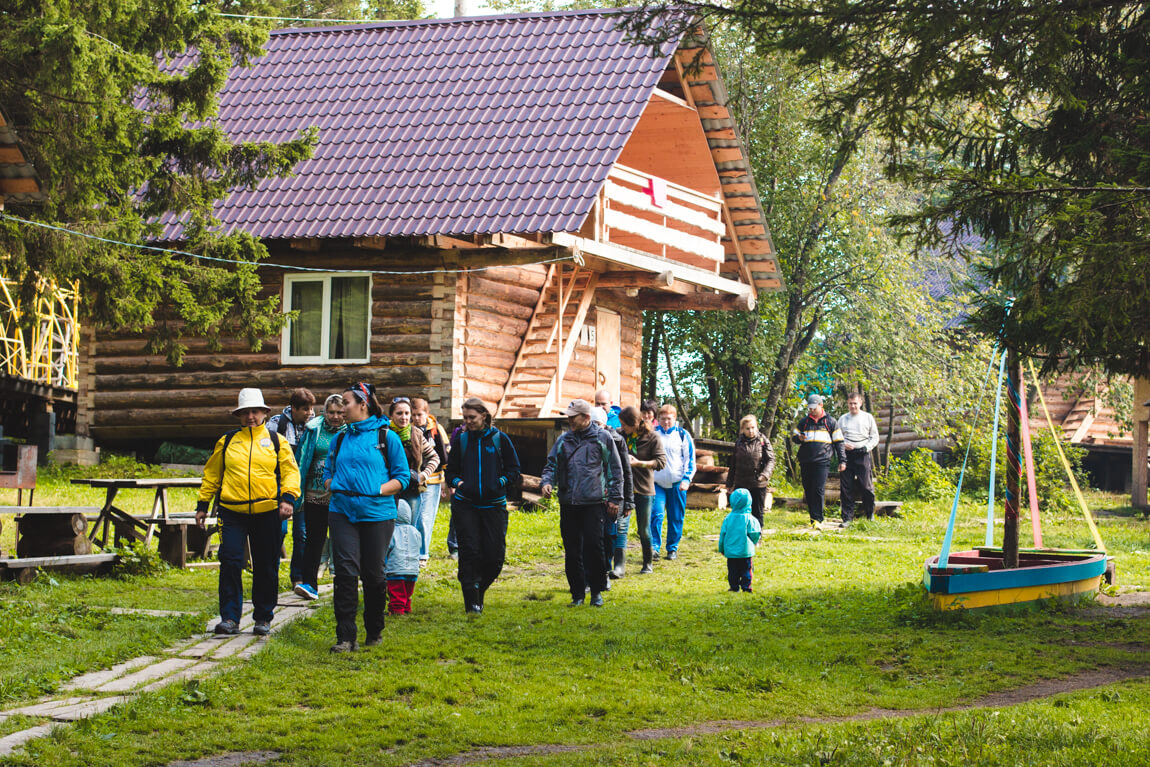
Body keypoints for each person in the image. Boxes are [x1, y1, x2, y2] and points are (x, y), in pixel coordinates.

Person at [196, 388, 301, 637]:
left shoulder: (277, 441)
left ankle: (263, 617)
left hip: (267, 511)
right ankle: (230, 618)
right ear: (239, 415)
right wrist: (202, 505)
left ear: (264, 413)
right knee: (231, 561)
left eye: (255, 411)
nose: (250, 416)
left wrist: (288, 499)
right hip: (232, 512)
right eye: (245, 413)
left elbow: (290, 472)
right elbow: (212, 474)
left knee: (266, 565)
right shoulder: (228, 440)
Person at [323, 382, 410, 652]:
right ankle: (346, 637)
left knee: (373, 575)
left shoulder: (387, 437)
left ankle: (374, 630)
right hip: (342, 511)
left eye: (346, 403)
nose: (341, 408)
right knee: (345, 573)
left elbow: (403, 478)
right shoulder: (339, 438)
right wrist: (331, 484)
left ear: (363, 404)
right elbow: (328, 471)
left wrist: (376, 490)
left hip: (377, 514)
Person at [541, 399, 623, 607]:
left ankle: (596, 592)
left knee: (594, 548)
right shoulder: (563, 441)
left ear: (586, 418)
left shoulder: (603, 438)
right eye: (568, 416)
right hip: (569, 502)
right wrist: (547, 482)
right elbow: (551, 465)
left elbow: (615, 470)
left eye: (573, 417)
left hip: (594, 503)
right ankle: (577, 594)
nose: (569, 420)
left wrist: (615, 498)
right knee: (572, 550)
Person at [446, 397, 521, 614]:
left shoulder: (500, 439)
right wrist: (460, 484)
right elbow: (451, 472)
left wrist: (499, 483)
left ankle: (479, 589)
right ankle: (471, 602)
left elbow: (514, 469)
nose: (468, 422)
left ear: (484, 416)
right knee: (469, 553)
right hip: (466, 505)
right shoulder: (462, 440)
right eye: (465, 418)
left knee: (494, 557)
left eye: (472, 417)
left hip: (494, 506)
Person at [292, 393, 346, 600]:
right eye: (331, 412)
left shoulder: (349, 432)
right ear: (324, 412)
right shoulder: (314, 429)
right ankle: (309, 583)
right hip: (315, 494)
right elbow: (302, 458)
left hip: (340, 495)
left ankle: (342, 582)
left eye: (340, 413)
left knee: (341, 540)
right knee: (314, 538)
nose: (335, 417)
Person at [267, 387, 316, 587]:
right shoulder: (277, 424)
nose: (309, 413)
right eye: (305, 409)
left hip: (303, 485)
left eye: (311, 408)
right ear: (293, 408)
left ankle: (298, 577)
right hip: (279, 483)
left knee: (302, 533)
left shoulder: (313, 425)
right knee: (279, 531)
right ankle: (270, 575)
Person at [389, 396, 439, 564]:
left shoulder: (416, 434)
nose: (404, 417)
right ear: (392, 415)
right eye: (399, 413)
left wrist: (423, 475)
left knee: (410, 527)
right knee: (388, 525)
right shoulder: (384, 434)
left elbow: (434, 457)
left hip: (411, 490)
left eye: (407, 413)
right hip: (389, 489)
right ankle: (389, 560)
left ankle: (408, 561)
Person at [618, 405, 666, 574]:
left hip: (644, 489)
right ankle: (619, 566)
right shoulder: (620, 435)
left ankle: (647, 563)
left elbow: (661, 462)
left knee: (643, 530)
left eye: (625, 424)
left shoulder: (652, 437)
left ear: (635, 423)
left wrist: (638, 463)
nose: (622, 427)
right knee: (621, 527)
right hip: (624, 489)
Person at [591, 406, 634, 581]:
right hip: (593, 497)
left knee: (610, 534)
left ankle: (609, 568)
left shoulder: (616, 440)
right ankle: (599, 573)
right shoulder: (585, 440)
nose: (595, 427)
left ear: (604, 423)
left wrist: (629, 501)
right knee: (596, 536)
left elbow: (625, 471)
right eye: (592, 423)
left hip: (613, 496)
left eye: (597, 423)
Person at [791, 394, 846, 525]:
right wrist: (798, 438)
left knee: (818, 489)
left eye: (813, 408)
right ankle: (813, 517)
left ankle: (818, 519)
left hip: (822, 461)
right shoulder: (804, 422)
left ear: (821, 405)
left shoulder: (831, 422)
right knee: (808, 488)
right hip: (805, 460)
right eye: (809, 408)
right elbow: (794, 437)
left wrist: (842, 461)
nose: (811, 411)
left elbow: (839, 442)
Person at [651, 404, 695, 561]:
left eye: (669, 419)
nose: (666, 422)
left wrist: (686, 479)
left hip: (677, 483)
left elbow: (690, 460)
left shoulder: (683, 435)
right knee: (656, 514)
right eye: (663, 419)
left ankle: (672, 548)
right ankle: (654, 547)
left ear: (675, 419)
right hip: (657, 483)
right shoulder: (653, 434)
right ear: (658, 419)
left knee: (676, 516)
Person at [412, 397, 450, 562]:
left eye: (419, 414)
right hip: (413, 481)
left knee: (425, 518)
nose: (416, 418)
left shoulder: (436, 429)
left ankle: (422, 554)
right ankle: (411, 551)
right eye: (413, 414)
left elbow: (444, 456)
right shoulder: (408, 430)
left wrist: (445, 482)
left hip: (433, 480)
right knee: (413, 516)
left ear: (427, 414)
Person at [726, 414, 776, 526]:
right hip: (741, 483)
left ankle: (757, 535)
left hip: (758, 483)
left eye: (753, 427)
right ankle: (741, 534)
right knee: (740, 511)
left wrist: (765, 475)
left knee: (757, 511)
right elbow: (733, 464)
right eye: (747, 428)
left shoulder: (763, 441)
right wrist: (729, 483)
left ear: (757, 427)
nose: (751, 431)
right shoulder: (739, 443)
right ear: (742, 429)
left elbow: (771, 459)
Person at [838, 392, 880, 523]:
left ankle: (869, 514)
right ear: (847, 404)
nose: (853, 406)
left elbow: (875, 437)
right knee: (846, 487)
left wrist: (866, 448)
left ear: (860, 403)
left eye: (855, 403)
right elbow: (837, 438)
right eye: (850, 404)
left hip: (862, 454)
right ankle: (847, 518)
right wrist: (843, 445)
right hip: (847, 456)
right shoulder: (843, 419)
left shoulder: (868, 417)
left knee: (866, 486)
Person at [718, 488, 762, 592]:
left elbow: (723, 534)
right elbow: (755, 533)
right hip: (745, 551)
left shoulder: (728, 518)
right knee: (746, 570)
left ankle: (734, 587)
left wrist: (721, 548)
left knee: (732, 571)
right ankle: (746, 587)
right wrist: (755, 542)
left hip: (731, 552)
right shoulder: (750, 519)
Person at [385, 497, 422, 614]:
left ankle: (397, 610)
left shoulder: (391, 531)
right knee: (407, 591)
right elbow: (418, 545)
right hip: (413, 570)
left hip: (396, 569)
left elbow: (387, 548)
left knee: (397, 592)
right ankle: (407, 607)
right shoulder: (415, 531)